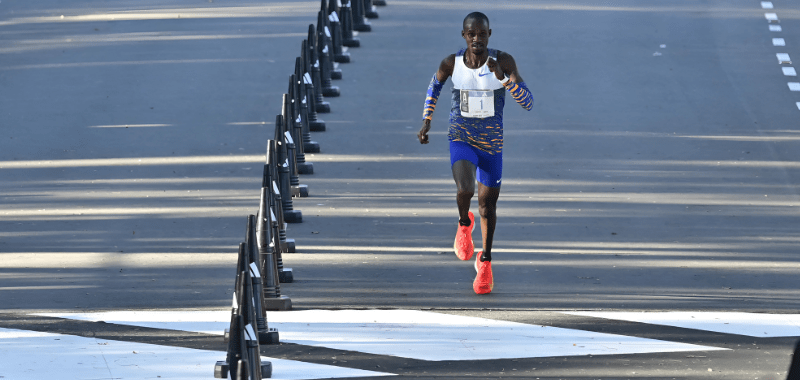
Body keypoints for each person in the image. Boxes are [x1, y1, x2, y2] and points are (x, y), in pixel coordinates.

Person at [418, 12, 533, 295]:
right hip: (461, 137)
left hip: (492, 145)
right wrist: (426, 120)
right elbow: (434, 86)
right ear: (464, 35)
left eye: (482, 34)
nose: (477, 39)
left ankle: (485, 262)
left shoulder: (503, 62)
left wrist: (504, 79)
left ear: (489, 34)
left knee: (487, 207)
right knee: (465, 189)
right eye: (472, 34)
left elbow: (528, 102)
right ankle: (463, 224)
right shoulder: (452, 63)